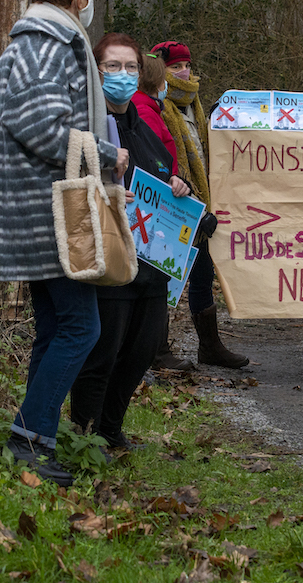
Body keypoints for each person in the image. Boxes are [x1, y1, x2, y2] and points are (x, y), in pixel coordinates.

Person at [0, 0, 128, 486]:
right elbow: (40, 126)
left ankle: (34, 438)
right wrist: (104, 154)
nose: (90, 2)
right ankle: (28, 439)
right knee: (80, 327)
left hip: (36, 208)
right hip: (48, 211)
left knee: (55, 327)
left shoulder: (39, 41)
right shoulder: (47, 44)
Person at [70, 33, 192, 448]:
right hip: (111, 259)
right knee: (102, 355)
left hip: (155, 265)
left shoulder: (147, 130)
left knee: (140, 354)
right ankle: (84, 436)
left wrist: (178, 183)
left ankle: (110, 429)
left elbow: (168, 175)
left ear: (141, 74)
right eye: (112, 67)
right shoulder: (87, 128)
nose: (122, 75)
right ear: (96, 70)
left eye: (130, 68)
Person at [155, 41, 248, 368]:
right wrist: (193, 203)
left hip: (199, 204)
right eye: (175, 67)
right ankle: (158, 348)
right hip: (174, 204)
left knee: (202, 272)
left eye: (187, 65)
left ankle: (209, 347)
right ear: (161, 71)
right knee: (163, 274)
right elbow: (168, 161)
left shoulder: (194, 105)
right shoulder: (160, 106)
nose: (183, 72)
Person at [133, 50, 195, 371]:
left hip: (162, 199)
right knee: (155, 278)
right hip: (157, 204)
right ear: (157, 81)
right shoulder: (144, 111)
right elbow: (152, 157)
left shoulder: (149, 107)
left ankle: (157, 348)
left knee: (160, 278)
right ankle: (156, 351)